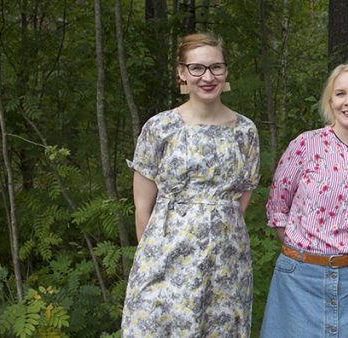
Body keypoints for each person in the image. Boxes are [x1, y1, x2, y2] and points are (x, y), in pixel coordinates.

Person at [121, 32, 259, 337]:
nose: (207, 76)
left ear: (226, 72)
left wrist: (216, 220)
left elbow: (243, 195)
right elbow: (142, 209)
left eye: (216, 67)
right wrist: (155, 258)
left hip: (226, 262)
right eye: (197, 68)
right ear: (182, 73)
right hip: (166, 258)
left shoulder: (245, 131)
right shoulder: (159, 128)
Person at [260, 64, 348, 337]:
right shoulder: (305, 145)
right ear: (330, 101)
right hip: (300, 281)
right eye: (340, 94)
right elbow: (278, 209)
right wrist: (308, 254)